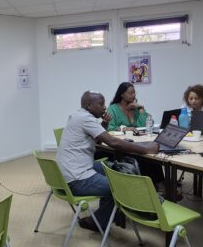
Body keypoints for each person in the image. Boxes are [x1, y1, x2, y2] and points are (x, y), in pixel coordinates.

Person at [57, 91, 160, 232]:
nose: (105, 107)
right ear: (89, 105)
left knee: (115, 168)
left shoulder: (78, 116)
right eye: (101, 104)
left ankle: (112, 214)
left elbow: (98, 140)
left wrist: (105, 122)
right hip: (77, 178)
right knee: (119, 185)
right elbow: (113, 142)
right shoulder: (86, 119)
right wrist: (146, 149)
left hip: (71, 170)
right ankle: (99, 221)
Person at [107, 82, 165, 186]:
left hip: (139, 140)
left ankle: (158, 183)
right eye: (130, 93)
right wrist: (124, 128)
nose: (133, 95)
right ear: (122, 94)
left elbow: (145, 125)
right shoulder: (113, 109)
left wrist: (141, 108)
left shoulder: (135, 108)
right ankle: (149, 184)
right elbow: (110, 128)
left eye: (134, 92)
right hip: (124, 143)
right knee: (143, 155)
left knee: (152, 153)